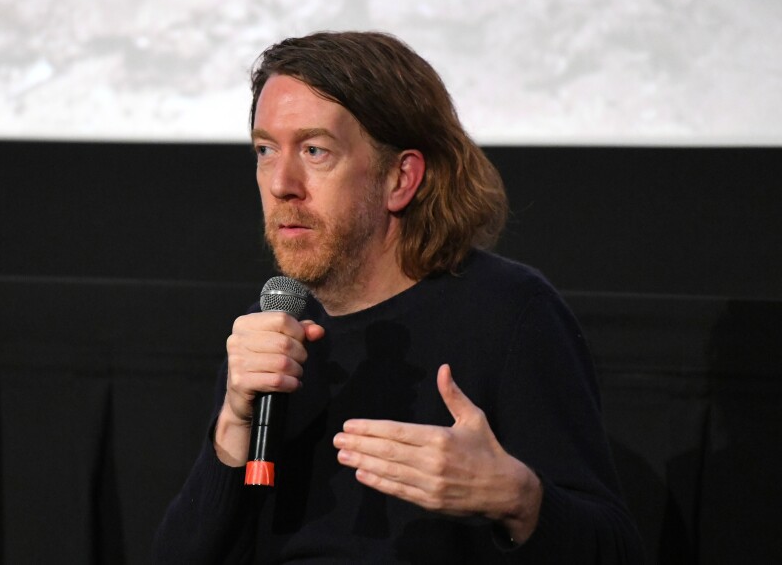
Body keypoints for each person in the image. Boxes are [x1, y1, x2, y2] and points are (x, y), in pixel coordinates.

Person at [153, 31, 643, 563]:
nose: (281, 184)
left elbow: (616, 550)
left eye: (315, 150)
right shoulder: (273, 328)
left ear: (401, 178)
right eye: (266, 151)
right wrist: (232, 427)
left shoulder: (510, 312)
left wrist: (519, 500)